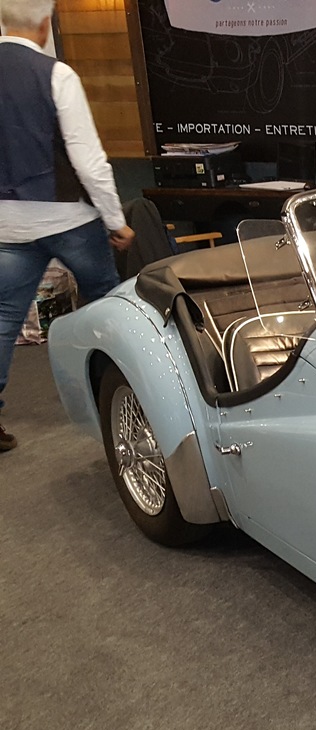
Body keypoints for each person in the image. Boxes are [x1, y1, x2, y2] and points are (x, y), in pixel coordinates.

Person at [0, 0, 134, 452]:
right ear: (44, 24)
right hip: (68, 219)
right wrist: (116, 221)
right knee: (111, 305)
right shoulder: (57, 75)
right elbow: (89, 161)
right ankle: (131, 395)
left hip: (6, 224)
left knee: (3, 319)